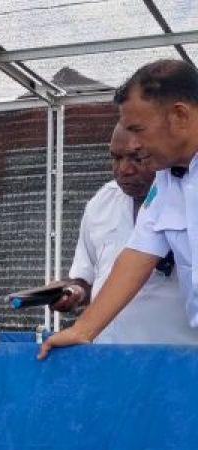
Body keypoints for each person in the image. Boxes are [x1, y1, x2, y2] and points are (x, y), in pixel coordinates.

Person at [41, 59, 198, 358]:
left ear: (179, 115)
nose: (135, 144)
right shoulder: (166, 181)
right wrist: (82, 330)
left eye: (138, 130)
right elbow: (138, 254)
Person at [50, 123, 198, 344]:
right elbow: (88, 278)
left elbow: (139, 260)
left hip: (174, 356)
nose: (124, 170)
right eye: (116, 158)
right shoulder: (100, 203)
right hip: (107, 353)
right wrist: (74, 292)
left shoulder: (184, 193)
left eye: (137, 159)